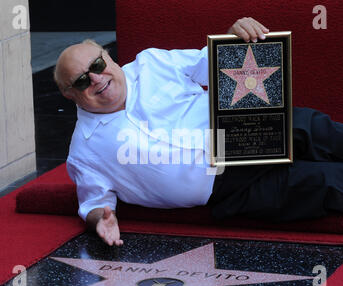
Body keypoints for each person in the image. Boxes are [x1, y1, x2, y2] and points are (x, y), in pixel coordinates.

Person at [54, 18, 343, 247]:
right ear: (69, 94)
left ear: (109, 58)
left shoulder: (153, 63)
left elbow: (214, 64)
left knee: (315, 129)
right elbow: (94, 202)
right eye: (81, 81)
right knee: (325, 184)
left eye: (97, 65)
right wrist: (99, 220)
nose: (96, 78)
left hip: (244, 133)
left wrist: (235, 37)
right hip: (227, 191)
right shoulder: (84, 151)